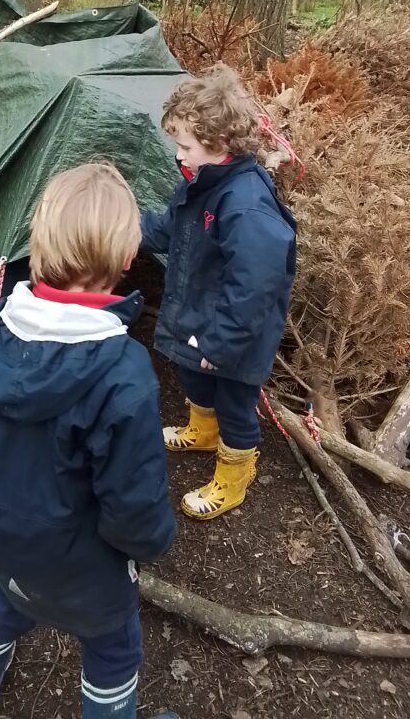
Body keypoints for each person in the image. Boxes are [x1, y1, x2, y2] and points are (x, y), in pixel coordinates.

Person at [0, 162, 178, 719]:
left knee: (4, 599)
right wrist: (151, 543)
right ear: (127, 260)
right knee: (113, 650)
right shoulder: (123, 370)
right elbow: (133, 492)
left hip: (7, 537)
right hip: (86, 564)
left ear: (39, 242)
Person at [141, 64, 296, 521]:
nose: (178, 154)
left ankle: (234, 474)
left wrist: (224, 343)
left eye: (185, 146)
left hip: (234, 335)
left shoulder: (244, 203)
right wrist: (130, 232)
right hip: (199, 315)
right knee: (194, 377)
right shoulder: (200, 182)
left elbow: (255, 285)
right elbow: (171, 228)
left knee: (235, 405)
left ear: (221, 144)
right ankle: (201, 431)